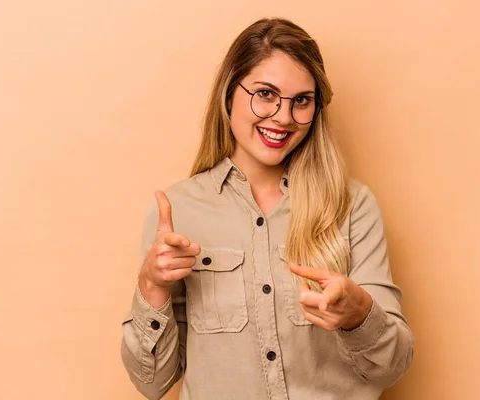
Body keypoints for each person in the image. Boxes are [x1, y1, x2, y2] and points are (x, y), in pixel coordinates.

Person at [121, 17, 414, 400]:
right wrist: (152, 286)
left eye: (302, 101)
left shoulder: (352, 206)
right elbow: (151, 383)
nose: (283, 117)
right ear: (230, 93)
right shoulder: (178, 212)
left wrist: (359, 314)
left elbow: (394, 365)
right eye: (265, 94)